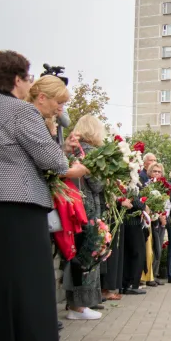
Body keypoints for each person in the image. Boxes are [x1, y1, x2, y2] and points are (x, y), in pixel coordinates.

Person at [0, 51, 89, 341]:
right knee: (32, 282)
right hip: (19, 207)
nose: (30, 83)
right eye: (29, 77)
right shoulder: (21, 111)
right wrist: (80, 167)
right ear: (17, 79)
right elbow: (52, 160)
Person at [64, 115, 107, 320]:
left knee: (80, 254)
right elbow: (97, 184)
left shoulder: (74, 149)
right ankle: (79, 307)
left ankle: (78, 304)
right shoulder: (88, 152)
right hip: (87, 206)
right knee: (88, 254)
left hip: (77, 205)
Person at [145, 162, 166, 286]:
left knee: (158, 249)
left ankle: (155, 273)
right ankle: (149, 276)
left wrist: (163, 215)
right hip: (151, 220)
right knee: (152, 249)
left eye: (159, 171)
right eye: (154, 171)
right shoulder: (148, 186)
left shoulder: (162, 187)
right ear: (150, 172)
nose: (157, 174)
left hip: (161, 220)